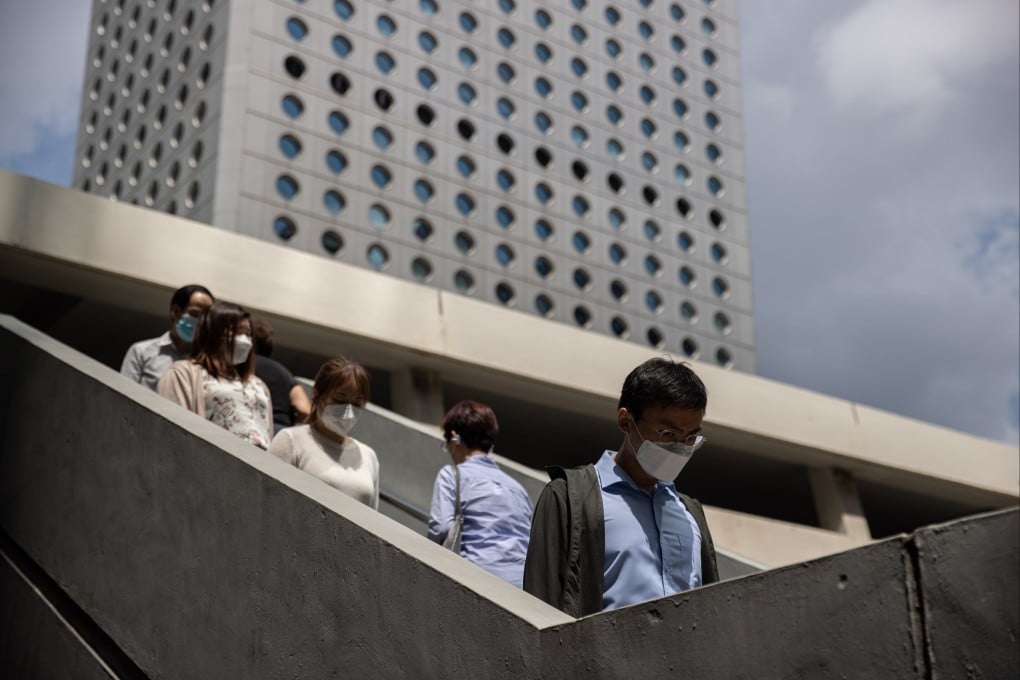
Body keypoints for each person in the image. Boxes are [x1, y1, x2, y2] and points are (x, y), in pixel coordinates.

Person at [523, 358, 719, 617]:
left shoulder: (690, 512)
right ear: (626, 422)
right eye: (667, 434)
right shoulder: (570, 498)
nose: (680, 448)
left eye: (691, 438)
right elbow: (539, 607)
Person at [428, 400, 533, 588]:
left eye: (448, 444)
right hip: (521, 588)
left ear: (454, 438)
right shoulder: (518, 490)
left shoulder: (452, 475)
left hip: (475, 582)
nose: (450, 452)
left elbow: (441, 529)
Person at [157, 301, 273, 450]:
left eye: (248, 334)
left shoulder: (259, 385)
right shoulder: (183, 373)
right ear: (214, 333)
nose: (245, 340)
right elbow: (173, 431)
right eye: (238, 331)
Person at [268, 357, 380, 509]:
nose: (348, 411)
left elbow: (373, 519)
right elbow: (269, 501)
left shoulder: (368, 456)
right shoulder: (290, 440)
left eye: (356, 404)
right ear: (317, 394)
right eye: (340, 399)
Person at [121, 284, 214, 390]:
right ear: (175, 312)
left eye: (206, 317)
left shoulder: (209, 362)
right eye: (195, 314)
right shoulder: (141, 351)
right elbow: (124, 394)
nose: (201, 322)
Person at [251, 318, 312, 434]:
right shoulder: (284, 372)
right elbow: (304, 410)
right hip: (280, 430)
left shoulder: (241, 365)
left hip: (252, 424)